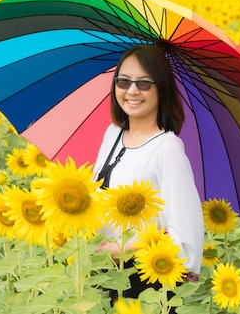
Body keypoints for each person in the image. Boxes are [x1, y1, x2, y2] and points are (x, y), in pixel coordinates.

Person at [93, 44, 204, 304]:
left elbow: (184, 235)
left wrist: (123, 249)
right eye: (123, 81)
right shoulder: (112, 135)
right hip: (102, 275)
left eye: (144, 84)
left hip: (144, 284)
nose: (132, 91)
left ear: (161, 89)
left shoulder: (167, 149)